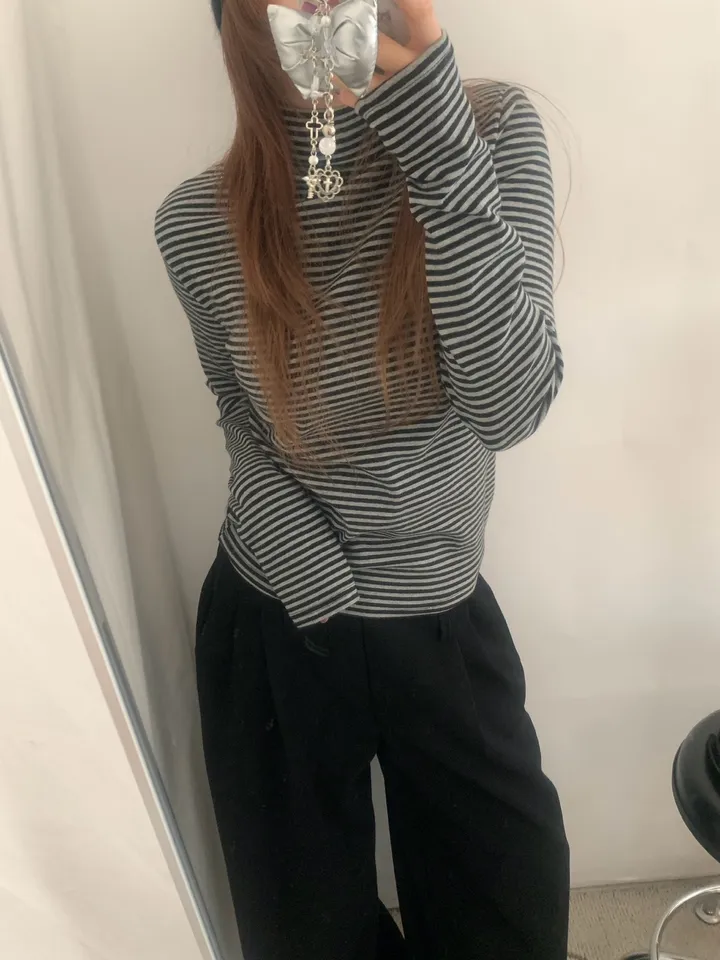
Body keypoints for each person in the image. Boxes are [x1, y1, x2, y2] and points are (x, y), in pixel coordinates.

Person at [155, 0, 569, 957]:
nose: (326, 14)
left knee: (507, 919)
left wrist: (435, 140)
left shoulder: (492, 132)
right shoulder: (193, 220)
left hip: (439, 617)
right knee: (305, 935)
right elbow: (236, 410)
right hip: (276, 618)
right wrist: (310, 569)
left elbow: (510, 405)